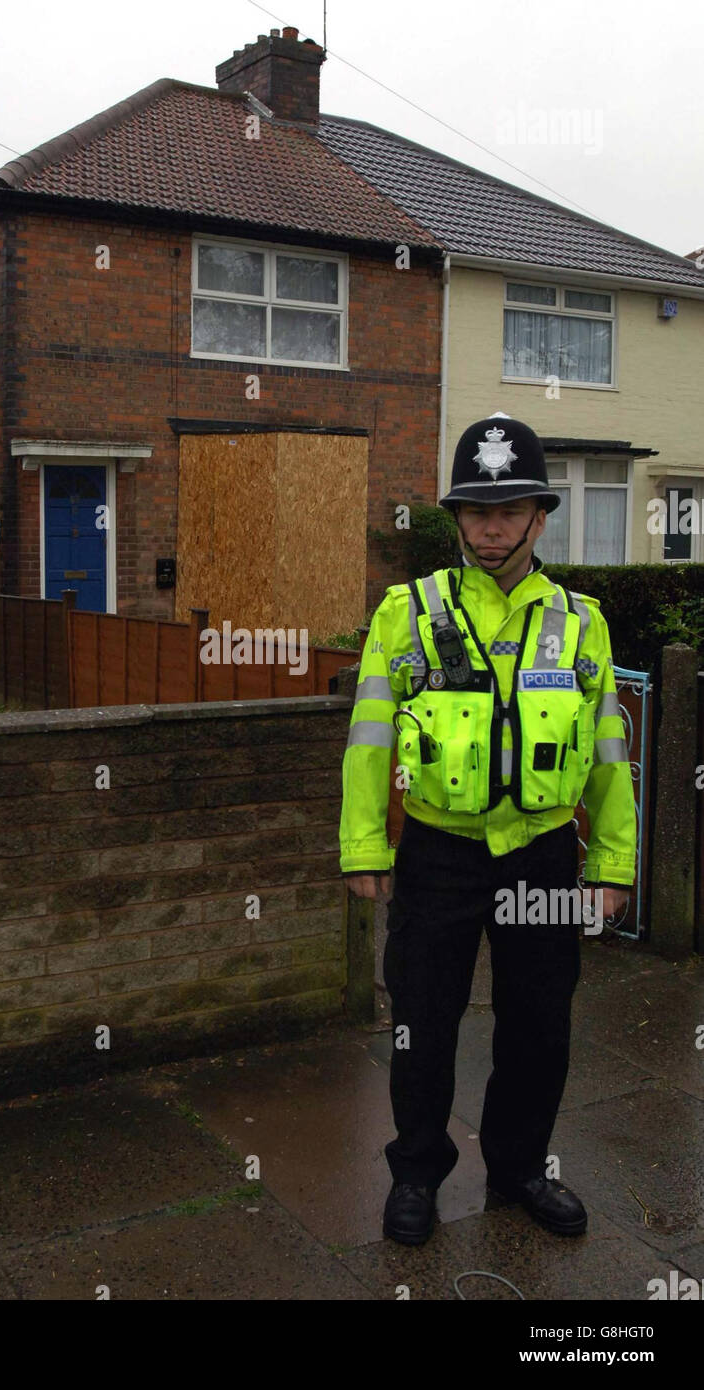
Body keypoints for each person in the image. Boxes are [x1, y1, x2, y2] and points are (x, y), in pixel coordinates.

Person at [339, 413, 636, 1246]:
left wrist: (612, 865)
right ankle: (415, 1176)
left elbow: (608, 751)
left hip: (543, 857)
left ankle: (517, 1171)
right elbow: (367, 739)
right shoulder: (407, 611)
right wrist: (364, 845)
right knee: (421, 1022)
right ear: (456, 519)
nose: (492, 525)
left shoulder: (582, 621)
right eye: (475, 509)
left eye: (509, 508)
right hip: (436, 854)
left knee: (539, 1023)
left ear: (540, 516)